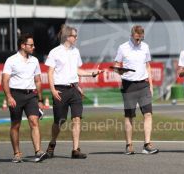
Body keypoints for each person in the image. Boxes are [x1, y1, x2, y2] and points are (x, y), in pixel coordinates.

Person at [44, 25, 103, 159]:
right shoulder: (55, 52)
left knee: (77, 118)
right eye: (74, 36)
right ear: (67, 37)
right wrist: (53, 90)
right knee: (60, 120)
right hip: (60, 89)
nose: (76, 38)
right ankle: (52, 143)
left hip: (74, 89)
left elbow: (77, 70)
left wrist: (91, 73)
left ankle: (75, 149)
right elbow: (50, 72)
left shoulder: (76, 51)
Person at [2, 33, 47, 163]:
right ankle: (17, 153)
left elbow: (38, 80)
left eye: (33, 45)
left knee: (34, 121)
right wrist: (9, 96)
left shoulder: (35, 60)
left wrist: (40, 100)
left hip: (31, 96)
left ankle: (38, 151)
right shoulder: (11, 60)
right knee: (16, 125)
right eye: (31, 45)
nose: (33, 47)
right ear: (23, 45)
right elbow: (4, 80)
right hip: (16, 95)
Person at [113, 25, 159, 155]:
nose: (138, 41)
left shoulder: (145, 47)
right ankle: (129, 145)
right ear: (132, 35)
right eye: (137, 38)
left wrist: (150, 84)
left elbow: (147, 65)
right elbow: (116, 65)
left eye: (141, 39)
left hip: (143, 84)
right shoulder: (123, 48)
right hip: (129, 85)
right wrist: (119, 70)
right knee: (129, 116)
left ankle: (147, 144)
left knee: (148, 114)